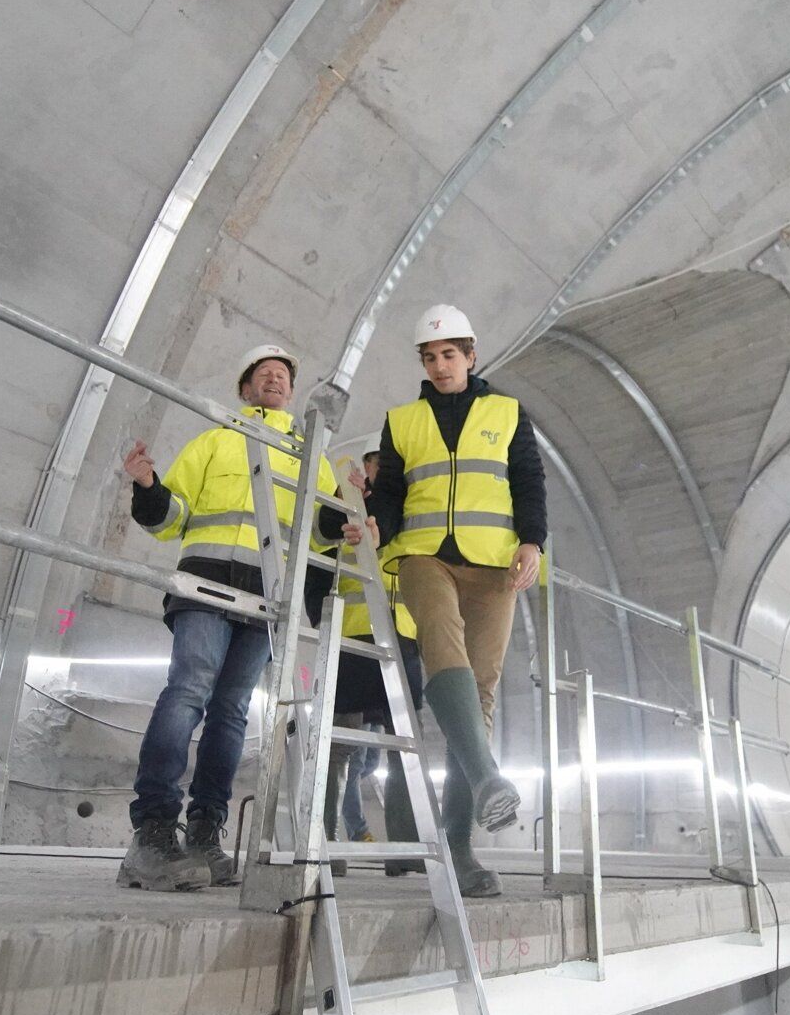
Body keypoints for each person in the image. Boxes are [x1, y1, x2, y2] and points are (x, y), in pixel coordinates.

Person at [116, 344, 341, 891]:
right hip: (205, 584)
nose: (274, 379)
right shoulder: (215, 439)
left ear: (290, 392)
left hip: (268, 599)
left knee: (232, 713)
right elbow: (172, 517)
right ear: (245, 390)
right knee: (188, 690)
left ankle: (203, 833)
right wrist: (148, 487)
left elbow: (322, 527)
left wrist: (347, 515)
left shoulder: (310, 455)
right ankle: (151, 833)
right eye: (263, 373)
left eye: (283, 375)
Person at [348, 304, 546, 898]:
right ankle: (487, 776)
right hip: (423, 554)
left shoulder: (509, 413)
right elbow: (390, 491)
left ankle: (459, 850)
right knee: (437, 634)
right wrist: (378, 524)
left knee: (481, 692)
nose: (439, 366)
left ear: (470, 356)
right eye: (430, 358)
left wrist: (533, 541)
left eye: (449, 356)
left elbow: (528, 480)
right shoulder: (402, 420)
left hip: (494, 562)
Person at [322, 444, 426, 877]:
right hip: (351, 642)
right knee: (337, 748)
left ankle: (404, 850)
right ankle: (326, 845)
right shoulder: (342, 517)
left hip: (400, 640)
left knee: (406, 749)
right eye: (371, 473)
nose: (375, 480)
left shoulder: (410, 521)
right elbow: (320, 568)